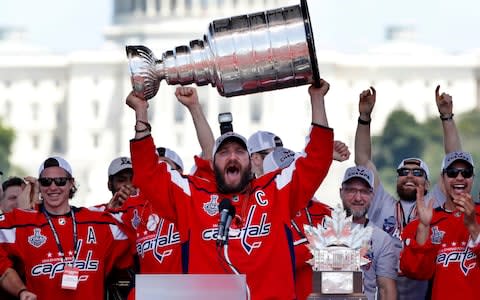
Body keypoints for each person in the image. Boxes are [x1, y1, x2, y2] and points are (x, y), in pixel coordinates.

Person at [126, 79, 334, 300]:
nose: (232, 156)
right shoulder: (193, 196)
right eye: (224, 153)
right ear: (213, 165)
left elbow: (316, 159)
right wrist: (141, 114)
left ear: (250, 161)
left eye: (239, 151)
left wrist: (317, 98)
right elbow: (148, 173)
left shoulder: (276, 191)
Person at [354, 85, 462, 299]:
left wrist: (447, 117)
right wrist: (364, 118)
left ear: (429, 183)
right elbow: (363, 161)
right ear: (397, 179)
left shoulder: (434, 202)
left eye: (417, 172)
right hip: (386, 288)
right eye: (404, 172)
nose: (410, 176)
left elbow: (454, 159)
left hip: (425, 288)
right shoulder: (382, 203)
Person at [0, 156, 133, 299]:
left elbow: (144, 235)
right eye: (46, 182)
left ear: (71, 184)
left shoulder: (98, 222)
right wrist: (21, 290)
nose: (53, 187)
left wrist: (132, 203)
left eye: (60, 181)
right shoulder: (22, 223)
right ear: (39, 186)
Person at [400, 151, 480, 300]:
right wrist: (424, 227)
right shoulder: (426, 219)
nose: (459, 177)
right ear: (442, 179)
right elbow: (416, 271)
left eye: (466, 173)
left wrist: (473, 225)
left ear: (473, 179)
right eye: (452, 172)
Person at [340, 166, 398, 300]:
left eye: (364, 192)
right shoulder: (322, 229)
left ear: (372, 195)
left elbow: (386, 290)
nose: (358, 198)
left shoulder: (381, 239)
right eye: (351, 190)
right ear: (341, 192)